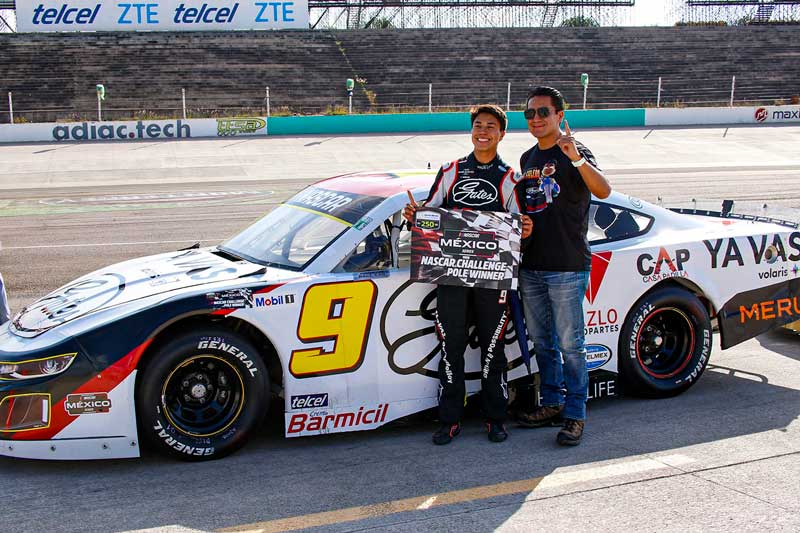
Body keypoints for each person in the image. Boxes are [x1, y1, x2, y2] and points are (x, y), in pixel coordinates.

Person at [404, 104, 533, 445]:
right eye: (478, 125)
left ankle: (495, 417)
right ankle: (449, 419)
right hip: (452, 276)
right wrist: (414, 217)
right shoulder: (450, 171)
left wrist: (528, 229)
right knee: (451, 347)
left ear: (502, 134)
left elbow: (520, 228)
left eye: (491, 126)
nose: (483, 131)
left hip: (493, 278)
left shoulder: (509, 178)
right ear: (471, 130)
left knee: (492, 349)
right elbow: (428, 216)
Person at [516, 87, 611, 446]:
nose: (536, 119)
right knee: (543, 342)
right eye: (530, 114)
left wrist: (577, 159)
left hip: (567, 265)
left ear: (559, 115)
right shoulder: (527, 157)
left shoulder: (575, 150)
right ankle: (552, 403)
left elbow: (603, 191)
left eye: (543, 112)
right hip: (532, 265)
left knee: (572, 345)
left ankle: (575, 414)